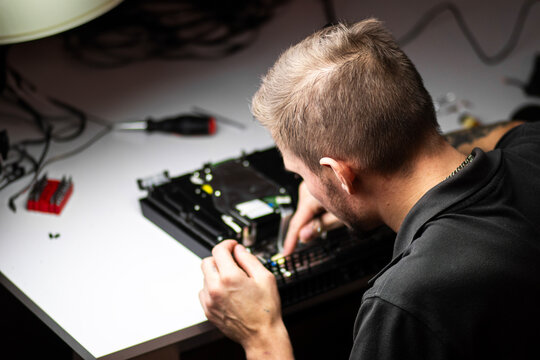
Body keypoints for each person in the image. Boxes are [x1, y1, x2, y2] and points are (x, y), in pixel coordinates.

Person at [199, 18, 540, 359]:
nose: (307, 189)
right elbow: (515, 126)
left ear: (341, 175)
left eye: (303, 175)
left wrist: (261, 334)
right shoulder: (532, 146)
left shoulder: (405, 304)